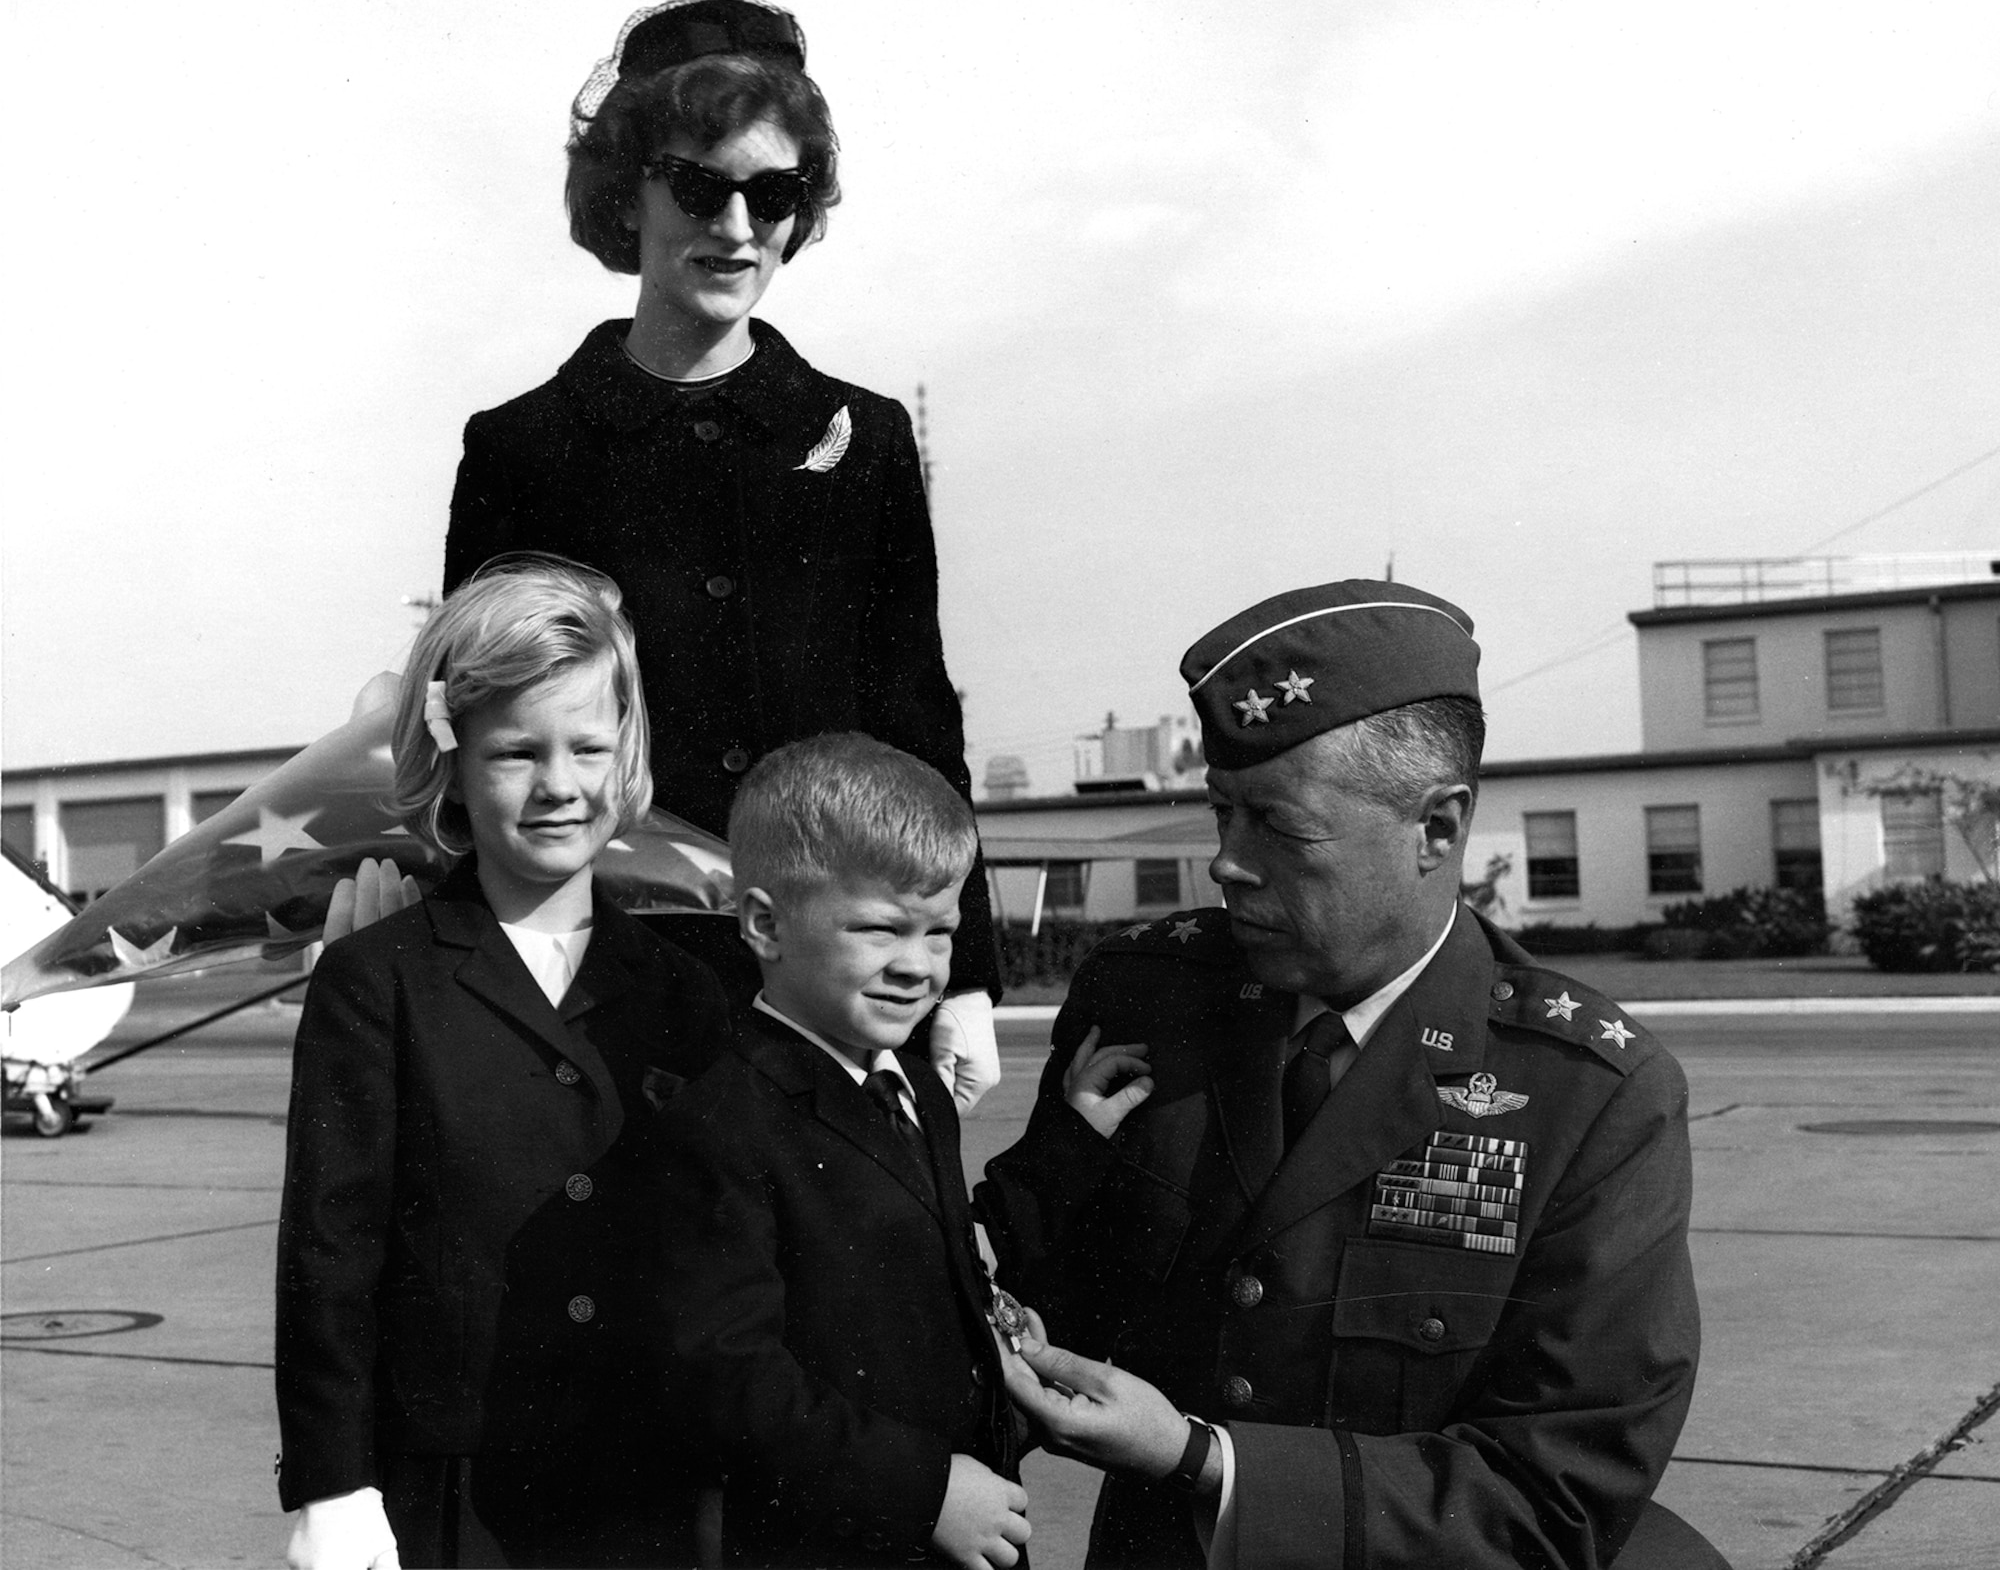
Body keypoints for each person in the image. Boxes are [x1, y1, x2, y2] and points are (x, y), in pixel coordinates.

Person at [978, 580, 1728, 1569]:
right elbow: (1027, 1301)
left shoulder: (1587, 1095)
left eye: (1279, 829)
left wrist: (1205, 1461)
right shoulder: (1147, 1000)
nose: (1225, 865)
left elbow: (1556, 1496)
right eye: (1220, 814)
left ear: (1435, 828)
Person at [439, 0, 1000, 1110]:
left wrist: (966, 975)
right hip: (600, 985)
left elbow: (915, 719)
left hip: (833, 977)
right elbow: (478, 727)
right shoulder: (521, 451)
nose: (737, 226)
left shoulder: (863, 440)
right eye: (699, 185)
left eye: (773, 194)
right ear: (627, 192)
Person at [275, 558, 733, 1569]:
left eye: (588, 747)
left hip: (648, 1486)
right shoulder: (375, 984)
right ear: (450, 762)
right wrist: (330, 1483)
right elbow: (327, 1255)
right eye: (516, 753)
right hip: (448, 1496)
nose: (560, 785)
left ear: (628, 756)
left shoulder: (686, 995)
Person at [652, 733, 1029, 1568]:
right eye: (880, 928)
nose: (918, 967)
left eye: (940, 933)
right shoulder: (721, 1120)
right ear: (763, 923)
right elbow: (728, 1377)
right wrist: (924, 1489)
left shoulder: (918, 1089)